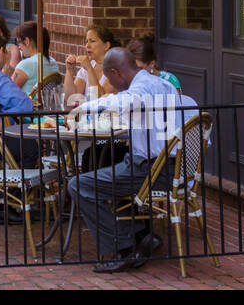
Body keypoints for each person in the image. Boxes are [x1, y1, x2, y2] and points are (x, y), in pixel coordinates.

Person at [66, 47, 198, 272]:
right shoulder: (161, 83)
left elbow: (123, 101)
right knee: (107, 167)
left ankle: (125, 249)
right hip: (175, 168)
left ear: (116, 72)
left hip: (155, 170)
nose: (112, 85)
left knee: (79, 184)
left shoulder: (141, 89)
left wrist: (80, 109)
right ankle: (142, 234)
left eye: (109, 78)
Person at [64, 24, 118, 105]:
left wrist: (89, 69)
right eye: (86, 41)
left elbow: (99, 99)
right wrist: (69, 70)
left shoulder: (116, 69)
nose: (87, 45)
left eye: (92, 41)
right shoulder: (89, 65)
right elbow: (70, 98)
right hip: (87, 116)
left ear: (106, 46)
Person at [10, 21, 60, 94]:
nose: (19, 46)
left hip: (28, 104)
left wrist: (5, 63)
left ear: (27, 41)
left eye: (19, 42)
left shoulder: (26, 64)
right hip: (47, 104)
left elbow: (8, 91)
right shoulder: (53, 62)